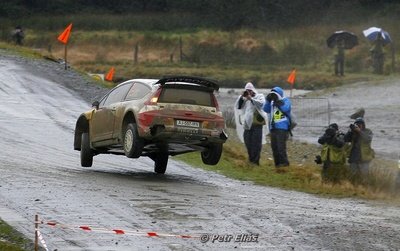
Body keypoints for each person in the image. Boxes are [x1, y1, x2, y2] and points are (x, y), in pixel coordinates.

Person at [235, 82, 266, 165]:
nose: (248, 92)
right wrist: (242, 97)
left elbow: (261, 104)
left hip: (257, 123)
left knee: (256, 143)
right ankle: (251, 159)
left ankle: (255, 162)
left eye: (249, 90)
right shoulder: (245, 98)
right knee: (247, 141)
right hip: (247, 124)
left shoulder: (260, 96)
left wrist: (251, 99)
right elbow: (238, 106)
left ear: (253, 90)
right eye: (247, 91)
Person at [263, 86, 291, 168]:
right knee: (274, 147)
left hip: (282, 128)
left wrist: (278, 101)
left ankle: (285, 165)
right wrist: (268, 100)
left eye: (275, 94)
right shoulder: (272, 102)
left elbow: (285, 109)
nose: (273, 96)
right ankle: (278, 165)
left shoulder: (286, 100)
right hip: (273, 127)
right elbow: (266, 109)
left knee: (281, 147)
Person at [344, 117, 375, 184]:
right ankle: (353, 187)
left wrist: (359, 131)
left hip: (364, 157)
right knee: (353, 175)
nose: (358, 125)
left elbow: (368, 139)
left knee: (364, 176)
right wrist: (350, 131)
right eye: (356, 124)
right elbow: (345, 139)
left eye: (360, 124)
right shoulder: (353, 132)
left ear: (363, 125)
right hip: (353, 157)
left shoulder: (368, 131)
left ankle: (365, 188)